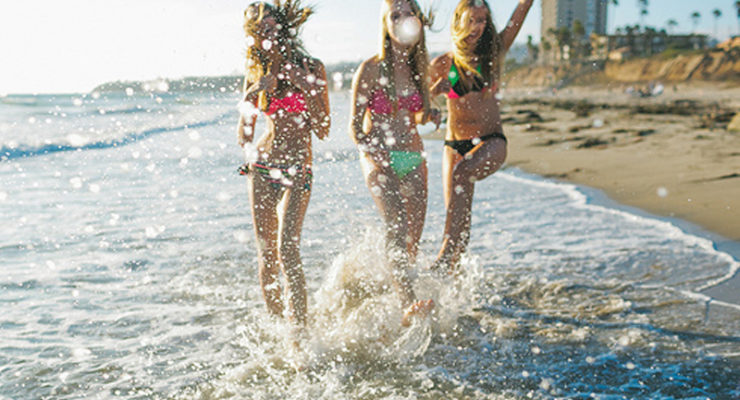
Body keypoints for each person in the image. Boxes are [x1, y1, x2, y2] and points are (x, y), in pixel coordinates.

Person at [237, 0, 330, 327]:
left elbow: (323, 129)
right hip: (262, 168)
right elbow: (244, 137)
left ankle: (299, 335)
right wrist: (252, 93)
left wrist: (306, 87)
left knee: (287, 250)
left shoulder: (311, 67)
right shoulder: (255, 73)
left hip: (298, 168)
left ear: (282, 25)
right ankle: (280, 330)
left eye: (270, 25)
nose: (266, 33)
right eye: (258, 29)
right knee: (267, 257)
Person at [349, 0, 440, 327]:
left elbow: (415, 115)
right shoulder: (371, 68)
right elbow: (355, 127)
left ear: (418, 20)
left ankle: (399, 288)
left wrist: (430, 113)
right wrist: (370, 149)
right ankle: (407, 303)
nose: (402, 19)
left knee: (412, 236)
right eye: (395, 15)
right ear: (386, 25)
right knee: (397, 225)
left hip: (410, 156)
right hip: (378, 159)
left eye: (408, 13)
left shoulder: (419, 69)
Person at [428, 0, 532, 272]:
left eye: (482, 20)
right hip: (454, 145)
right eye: (472, 20)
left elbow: (521, 10)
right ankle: (453, 282)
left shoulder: (494, 54)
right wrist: (433, 95)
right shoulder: (443, 64)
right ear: (459, 21)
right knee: (456, 217)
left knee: (462, 174)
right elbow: (419, 112)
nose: (477, 27)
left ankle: (443, 257)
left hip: (491, 141)